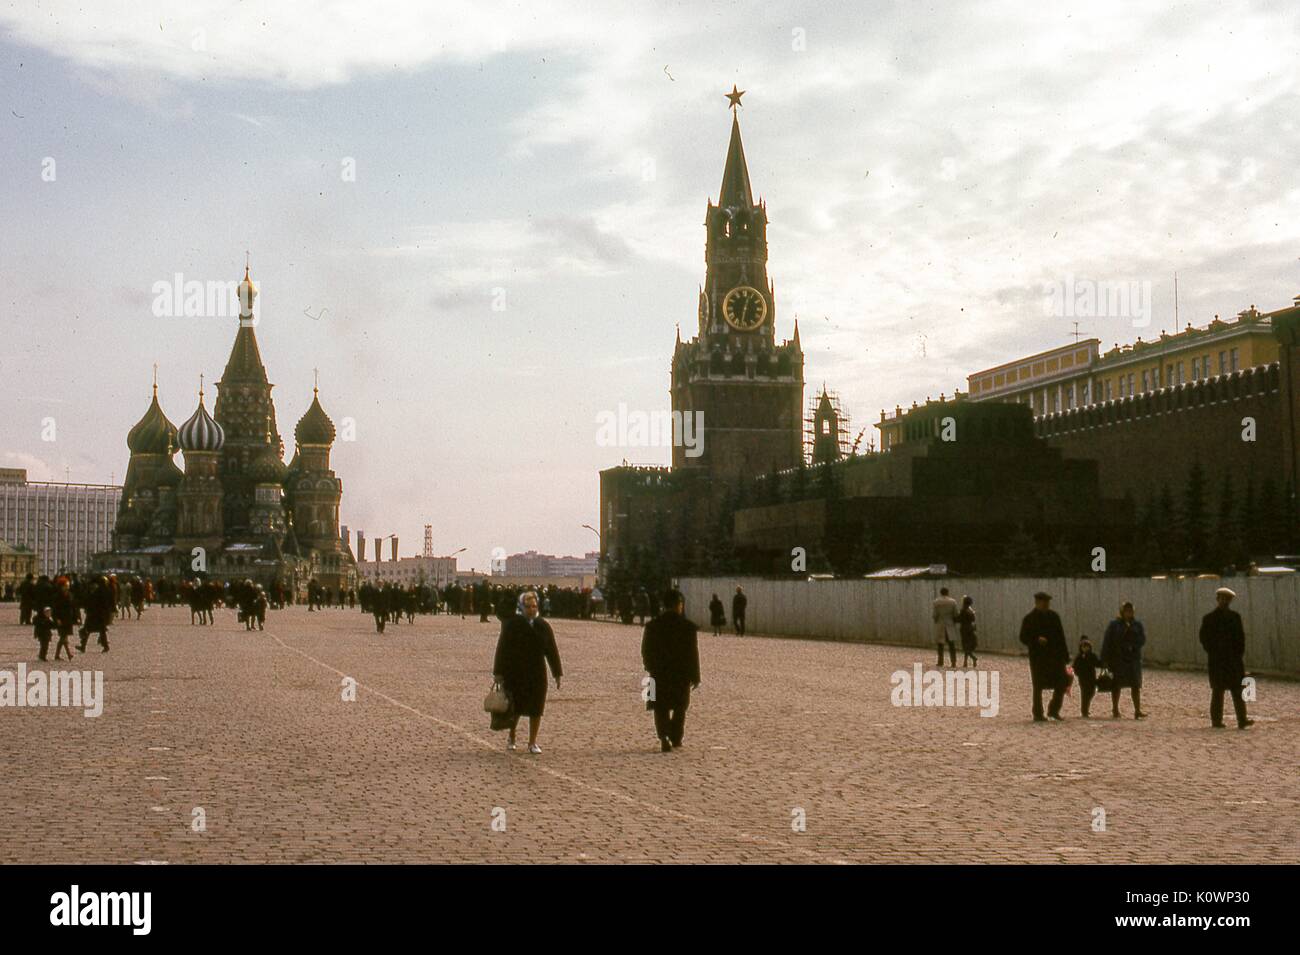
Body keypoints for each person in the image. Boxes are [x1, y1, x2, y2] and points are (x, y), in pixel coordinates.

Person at [492, 591, 562, 754]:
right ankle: (512, 736)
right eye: (528, 606)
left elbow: (551, 650)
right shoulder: (512, 625)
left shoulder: (543, 626)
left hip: (537, 672)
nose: (531, 609)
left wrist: (557, 672)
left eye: (534, 606)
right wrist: (498, 672)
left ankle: (532, 742)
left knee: (537, 708)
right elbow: (502, 649)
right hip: (516, 672)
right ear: (521, 607)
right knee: (516, 708)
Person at [641, 588, 701, 752]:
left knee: (659, 707)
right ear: (678, 605)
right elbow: (692, 653)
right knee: (680, 706)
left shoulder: (652, 626)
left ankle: (663, 735)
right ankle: (676, 736)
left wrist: (650, 667)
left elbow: (645, 650)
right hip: (680, 674)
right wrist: (695, 676)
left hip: (657, 674)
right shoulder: (687, 627)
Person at [1199, 587, 1253, 729]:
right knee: (1218, 690)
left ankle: (1242, 720)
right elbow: (1204, 638)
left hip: (1233, 660)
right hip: (1217, 660)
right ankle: (1216, 721)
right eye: (1222, 598)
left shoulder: (1235, 617)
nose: (1224, 601)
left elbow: (1241, 638)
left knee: (1237, 691)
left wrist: (1238, 654)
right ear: (1217, 600)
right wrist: (1213, 651)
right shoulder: (1209, 618)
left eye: (1227, 599)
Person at [1019, 591, 1069, 721]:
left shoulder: (1054, 617)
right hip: (1038, 658)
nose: (1046, 604)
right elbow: (1023, 637)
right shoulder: (1029, 618)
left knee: (1061, 683)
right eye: (1043, 602)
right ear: (1037, 602)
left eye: (1047, 602)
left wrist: (1065, 655)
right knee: (1038, 686)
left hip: (1055, 656)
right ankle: (1038, 713)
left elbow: (1061, 636)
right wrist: (1036, 639)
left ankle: (1054, 710)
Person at [1100, 601, 1147, 719]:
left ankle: (1137, 710)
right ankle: (1115, 709)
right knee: (1116, 685)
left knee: (1135, 685)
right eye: (1126, 610)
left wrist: (1133, 646)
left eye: (1130, 610)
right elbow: (1107, 642)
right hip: (1118, 659)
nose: (1129, 612)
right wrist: (1104, 660)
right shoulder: (1114, 625)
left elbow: (1142, 639)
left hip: (1133, 659)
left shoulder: (1137, 625)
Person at [1073, 637, 1101, 718]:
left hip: (1092, 677)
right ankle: (1084, 711)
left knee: (1091, 692)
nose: (1085, 648)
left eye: (1087, 646)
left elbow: (1097, 663)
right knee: (1084, 694)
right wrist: (1078, 673)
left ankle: (1085, 709)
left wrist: (1104, 663)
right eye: (1084, 647)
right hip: (1083, 678)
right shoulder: (1079, 657)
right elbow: (1075, 667)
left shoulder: (1092, 655)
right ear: (1081, 648)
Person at [932, 587, 959, 667]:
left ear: (940, 593)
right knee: (952, 645)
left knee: (940, 645)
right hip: (950, 624)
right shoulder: (953, 602)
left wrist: (936, 621)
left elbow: (935, 615)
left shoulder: (936, 602)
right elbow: (956, 614)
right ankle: (953, 662)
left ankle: (940, 661)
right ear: (948, 592)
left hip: (940, 625)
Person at [958, 595, 978, 667]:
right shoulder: (971, 610)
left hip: (964, 629)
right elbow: (973, 620)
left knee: (965, 646)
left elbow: (959, 619)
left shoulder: (963, 610)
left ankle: (973, 658)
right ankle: (965, 662)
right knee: (968, 645)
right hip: (971, 628)